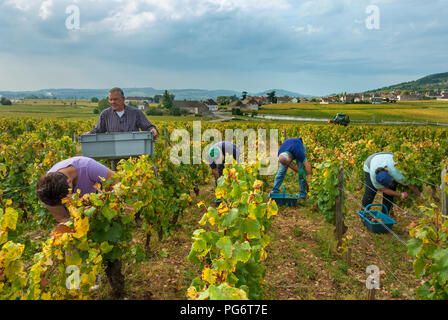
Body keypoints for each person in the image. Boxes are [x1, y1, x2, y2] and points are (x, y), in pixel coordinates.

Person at [36, 156, 114, 223]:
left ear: (69, 182)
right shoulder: (46, 193)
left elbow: (115, 180)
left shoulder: (88, 167)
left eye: (67, 199)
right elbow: (63, 218)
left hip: (97, 197)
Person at [89, 87, 159, 138]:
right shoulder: (105, 114)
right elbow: (99, 131)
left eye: (115, 99)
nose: (113, 102)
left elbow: (148, 127)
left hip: (133, 154)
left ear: (123, 99)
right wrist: (89, 133)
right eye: (111, 100)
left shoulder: (135, 113)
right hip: (113, 154)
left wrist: (152, 130)